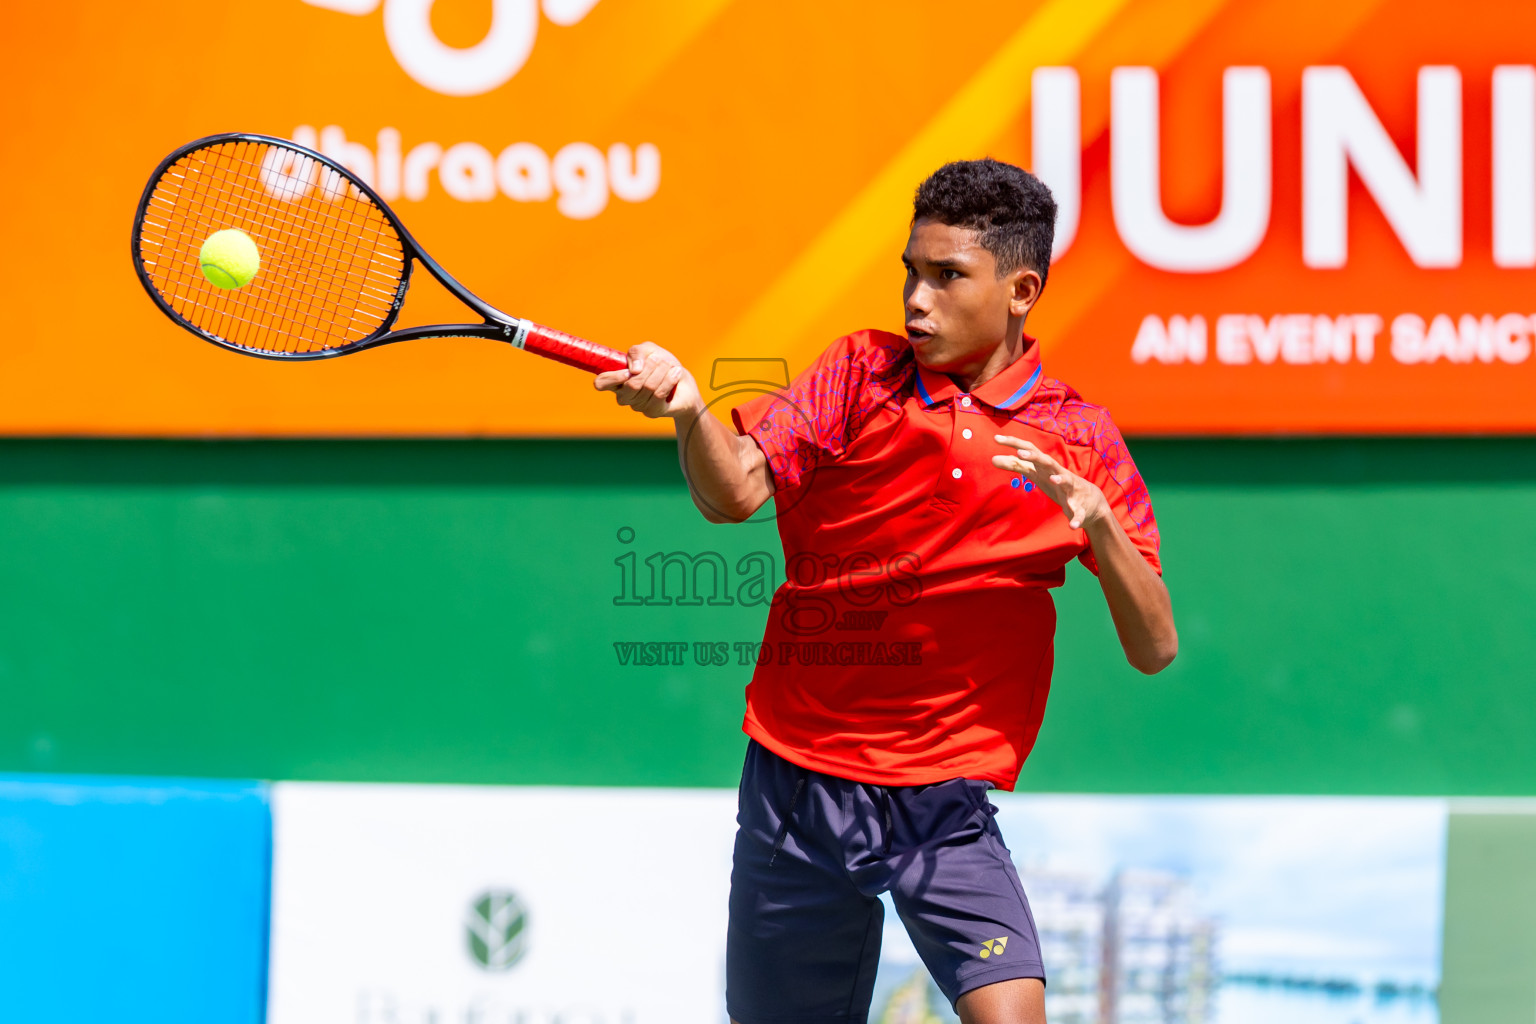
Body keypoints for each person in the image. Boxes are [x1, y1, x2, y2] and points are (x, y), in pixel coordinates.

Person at [595, 158, 1177, 1024]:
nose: (917, 300)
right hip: (797, 783)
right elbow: (739, 491)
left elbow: (1154, 645)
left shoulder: (1079, 439)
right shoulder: (858, 374)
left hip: (941, 804)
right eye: (911, 270)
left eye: (948, 277)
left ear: (1022, 290)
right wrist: (690, 412)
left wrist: (1097, 525)